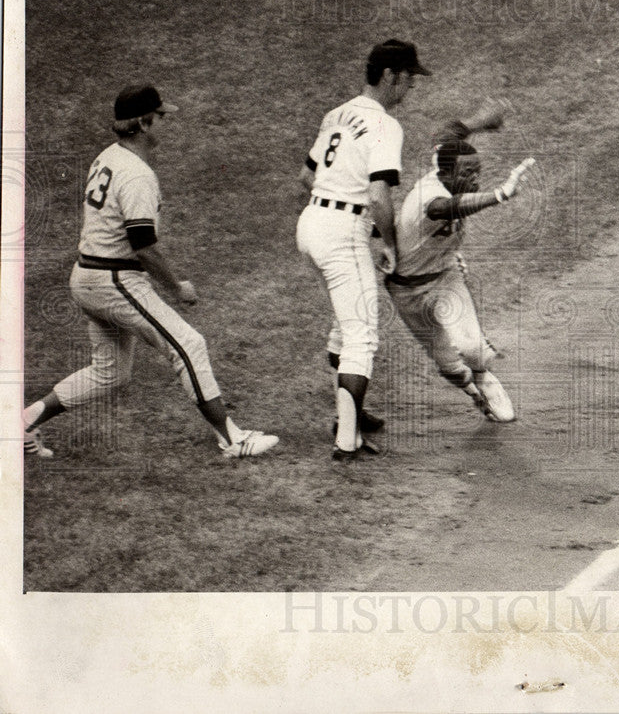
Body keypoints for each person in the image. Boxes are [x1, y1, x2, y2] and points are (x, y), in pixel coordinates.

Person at [23, 85, 279, 458]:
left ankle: (21, 423)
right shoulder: (136, 175)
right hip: (114, 279)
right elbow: (143, 244)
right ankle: (232, 438)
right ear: (143, 122)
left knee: (110, 373)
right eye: (161, 117)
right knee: (188, 345)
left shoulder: (109, 156)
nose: (166, 123)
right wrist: (176, 287)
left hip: (88, 276)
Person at [296, 39, 430, 460]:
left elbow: (306, 176)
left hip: (312, 224)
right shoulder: (386, 125)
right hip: (342, 232)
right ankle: (345, 439)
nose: (410, 88)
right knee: (362, 337)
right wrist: (387, 242)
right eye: (408, 79)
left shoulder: (337, 113)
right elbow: (377, 196)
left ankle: (351, 414)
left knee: (344, 321)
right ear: (389, 75)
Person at [386, 102, 535, 421]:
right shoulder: (430, 200)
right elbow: (452, 207)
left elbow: (448, 134)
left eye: (477, 173)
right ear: (445, 173)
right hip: (408, 291)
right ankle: (473, 392)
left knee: (472, 351)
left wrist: (480, 121)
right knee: (451, 368)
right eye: (468, 175)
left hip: (445, 277)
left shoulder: (444, 159)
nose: (475, 181)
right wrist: (500, 195)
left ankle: (486, 378)